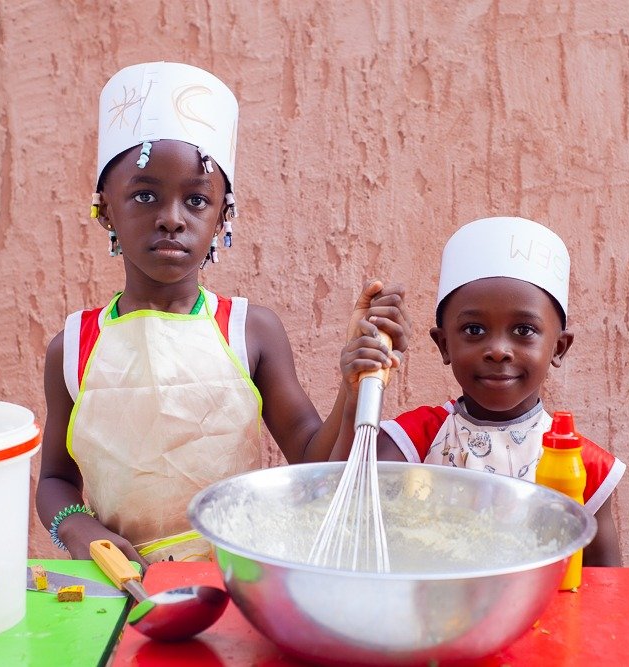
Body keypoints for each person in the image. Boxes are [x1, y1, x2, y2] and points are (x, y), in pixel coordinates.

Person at [36, 61, 407, 566]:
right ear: (105, 210)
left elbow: (312, 460)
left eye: (196, 200)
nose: (172, 218)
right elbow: (55, 478)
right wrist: (78, 529)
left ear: (221, 217)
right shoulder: (74, 346)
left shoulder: (250, 331)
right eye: (145, 196)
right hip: (121, 584)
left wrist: (352, 384)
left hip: (235, 578)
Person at [336, 216, 624, 566]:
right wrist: (357, 397)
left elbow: (610, 585)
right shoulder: (417, 440)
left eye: (523, 330)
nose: (498, 350)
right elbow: (342, 510)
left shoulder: (581, 465)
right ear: (444, 345)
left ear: (558, 348)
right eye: (474, 330)